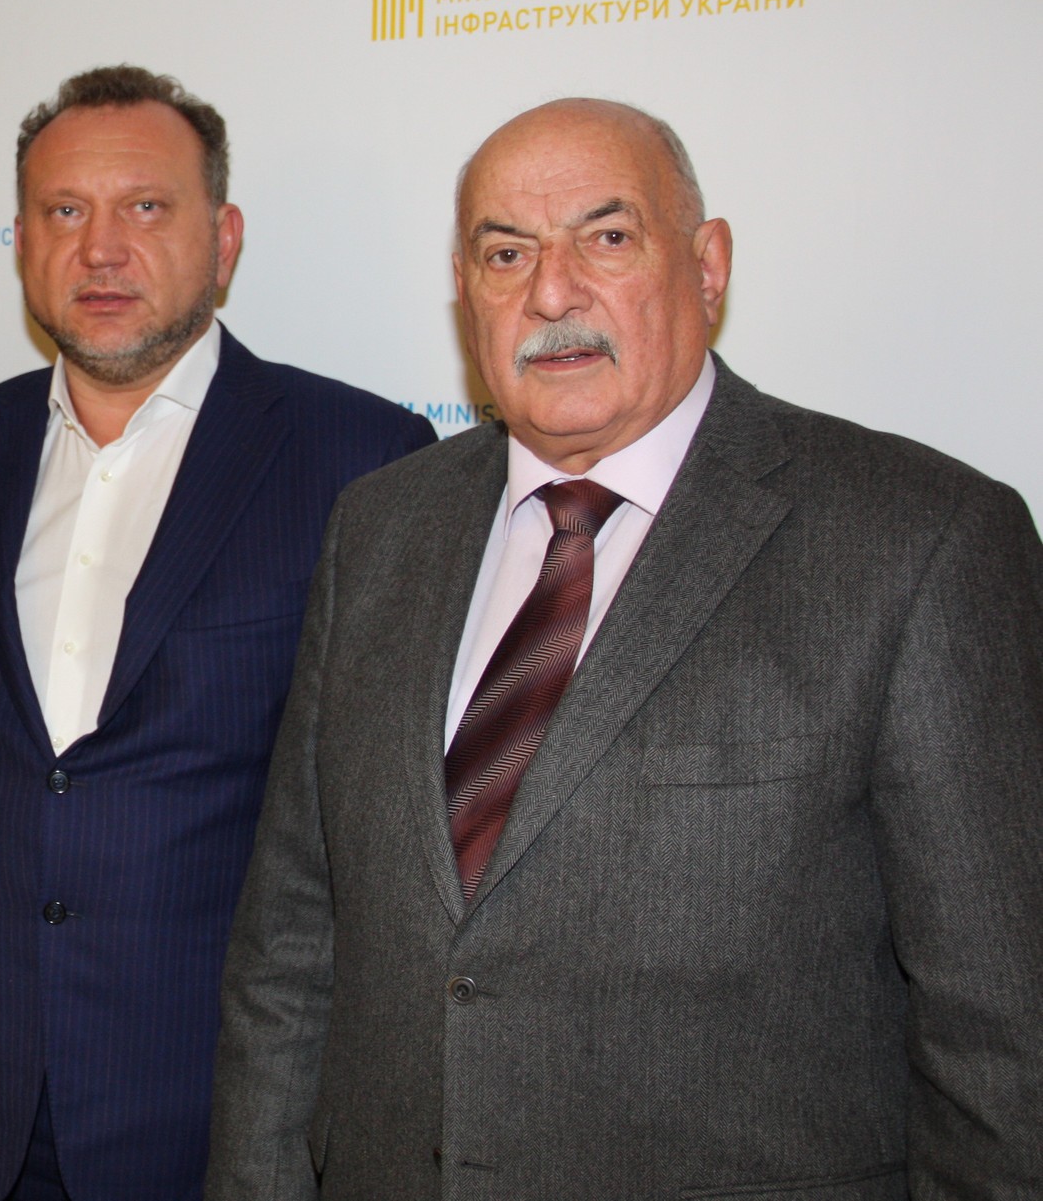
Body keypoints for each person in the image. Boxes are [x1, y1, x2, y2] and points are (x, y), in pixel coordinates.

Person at [206, 97, 1043, 1199]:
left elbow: (1000, 1033)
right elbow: (288, 950)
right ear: (464, 290)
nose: (552, 293)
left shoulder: (919, 539)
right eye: (506, 253)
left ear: (708, 265)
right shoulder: (378, 529)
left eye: (606, 237)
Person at [0, 65, 436, 1201]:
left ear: (224, 239)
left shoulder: (361, 458)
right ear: (20, 241)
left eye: (145, 207)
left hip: (234, 1119)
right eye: (63, 211)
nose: (101, 249)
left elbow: (386, 827)